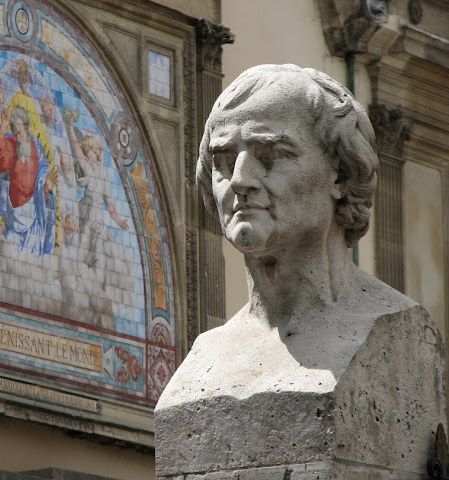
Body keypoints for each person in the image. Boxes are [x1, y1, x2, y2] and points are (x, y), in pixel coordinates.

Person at [155, 63, 445, 478]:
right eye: (222, 160)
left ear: (340, 175)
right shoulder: (205, 358)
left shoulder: (399, 331)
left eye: (271, 155)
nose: (239, 180)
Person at [68, 115, 129, 285]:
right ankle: (75, 281)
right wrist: (71, 127)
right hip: (87, 214)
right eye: (87, 154)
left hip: (98, 219)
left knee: (99, 255)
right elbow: (75, 148)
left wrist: (118, 221)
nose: (89, 157)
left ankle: (98, 290)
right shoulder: (86, 168)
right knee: (83, 246)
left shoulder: (102, 173)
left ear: (97, 153)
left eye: (92, 153)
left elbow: (110, 203)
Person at [0, 105, 58, 255]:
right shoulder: (12, 143)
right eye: (15, 132)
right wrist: (3, 126)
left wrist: (47, 188)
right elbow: (1, 164)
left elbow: (43, 172)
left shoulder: (37, 148)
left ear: (26, 127)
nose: (18, 137)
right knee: (10, 251)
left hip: (33, 210)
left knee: (32, 254)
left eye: (20, 132)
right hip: (15, 208)